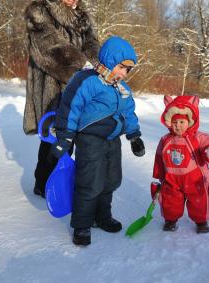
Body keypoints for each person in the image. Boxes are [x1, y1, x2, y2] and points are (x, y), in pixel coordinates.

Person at [50, 36, 145, 246]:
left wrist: (134, 136)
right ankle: (82, 225)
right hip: (90, 139)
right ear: (110, 60)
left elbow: (128, 113)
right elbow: (70, 107)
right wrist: (65, 136)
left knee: (111, 180)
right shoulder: (87, 80)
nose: (123, 73)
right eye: (121, 67)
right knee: (90, 182)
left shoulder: (123, 90)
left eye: (127, 70)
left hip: (112, 140)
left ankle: (102, 217)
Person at [23, 0, 99, 198]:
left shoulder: (82, 16)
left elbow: (92, 44)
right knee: (53, 137)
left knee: (71, 137)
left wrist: (100, 65)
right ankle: (44, 182)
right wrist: (82, 66)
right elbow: (50, 49)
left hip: (79, 88)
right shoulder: (38, 11)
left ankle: (61, 179)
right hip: (52, 87)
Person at [152, 95, 209, 233]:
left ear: (189, 122)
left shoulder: (198, 137)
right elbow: (159, 157)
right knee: (171, 199)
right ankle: (170, 220)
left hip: (194, 177)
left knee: (199, 199)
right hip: (172, 177)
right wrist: (159, 175)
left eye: (182, 122)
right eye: (175, 122)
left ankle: (201, 221)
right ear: (169, 122)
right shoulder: (165, 139)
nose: (178, 125)